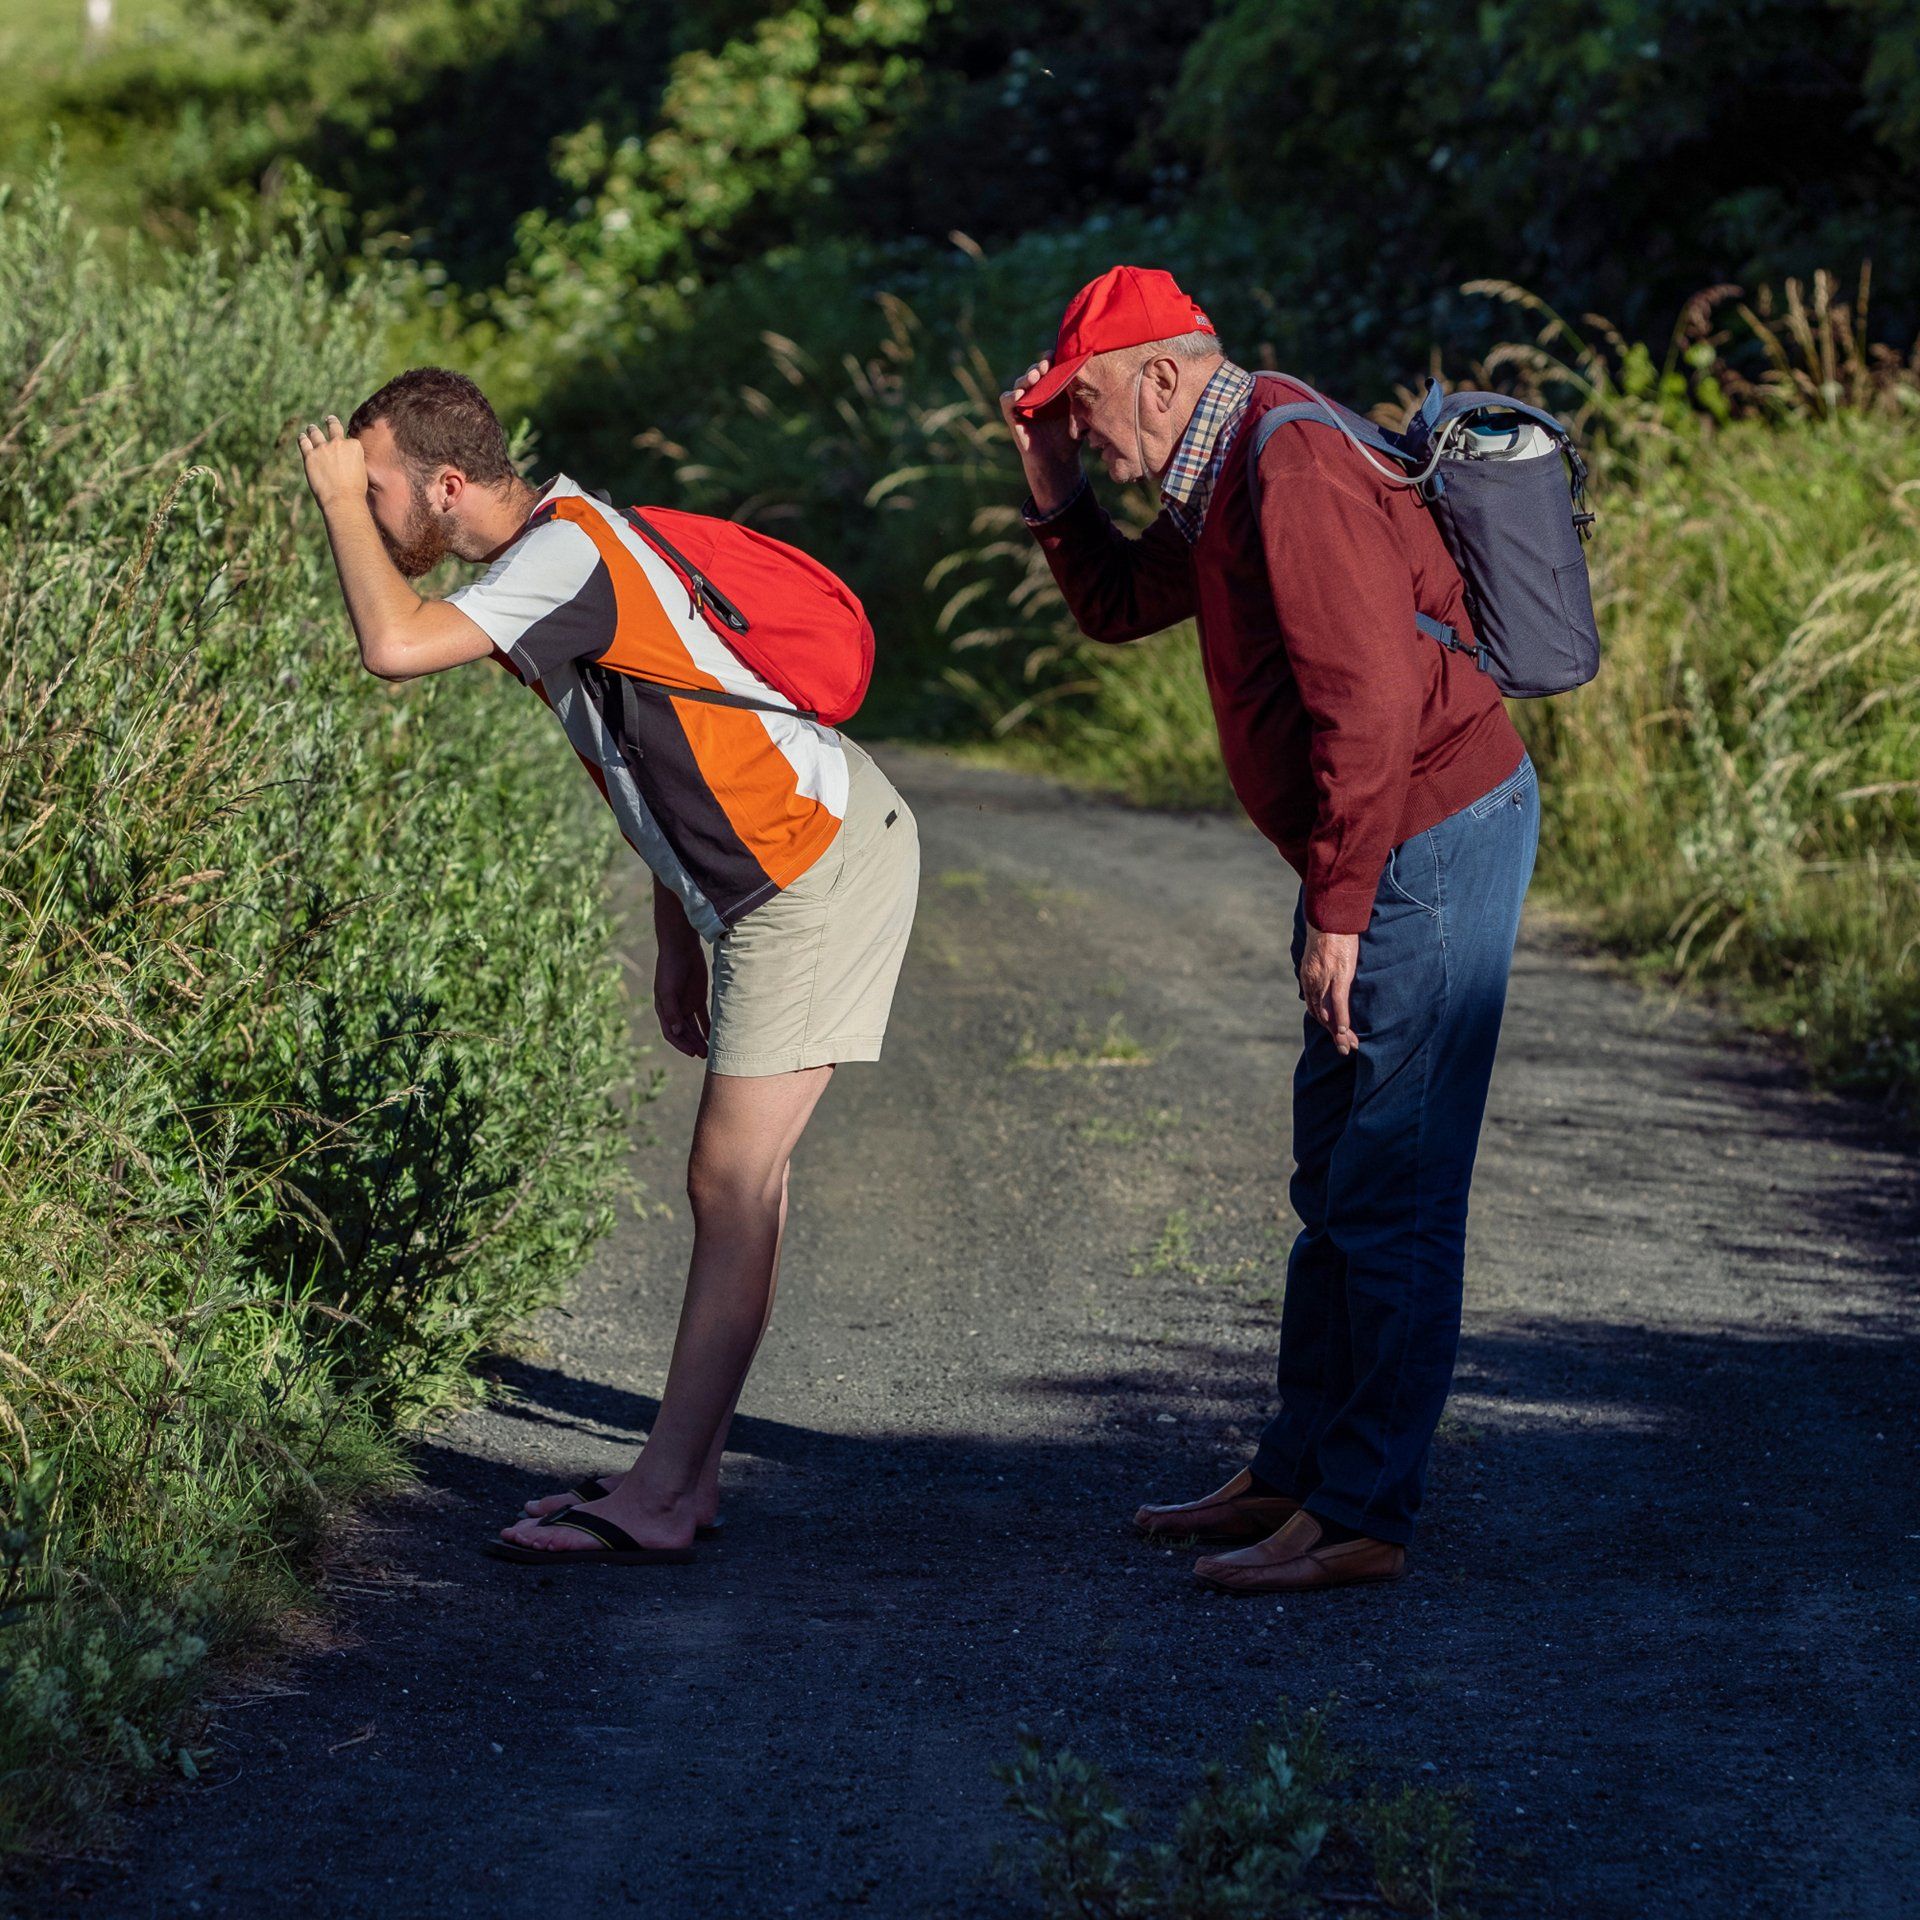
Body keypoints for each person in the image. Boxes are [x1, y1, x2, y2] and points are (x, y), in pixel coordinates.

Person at [296, 368, 919, 1567]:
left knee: (726, 1185)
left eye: (376, 488)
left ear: (445, 484)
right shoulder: (564, 547)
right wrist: (676, 926)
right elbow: (659, 739)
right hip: (767, 880)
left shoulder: (561, 555)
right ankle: (678, 1480)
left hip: (813, 869)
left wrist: (331, 503)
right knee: (747, 1186)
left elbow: (392, 643)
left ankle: (665, 1497)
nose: (365, 510)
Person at [1001, 267, 1539, 1594]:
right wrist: (1050, 478)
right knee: (1333, 1173)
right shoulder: (1223, 464)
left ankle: (1360, 1512)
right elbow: (1119, 607)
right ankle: (1298, 1471)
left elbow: (1369, 705)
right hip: (1381, 842)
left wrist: (1341, 913)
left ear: (1167, 377)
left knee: (1391, 1184)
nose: (1091, 427)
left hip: (1430, 835)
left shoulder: (1285, 460)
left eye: (1092, 403)